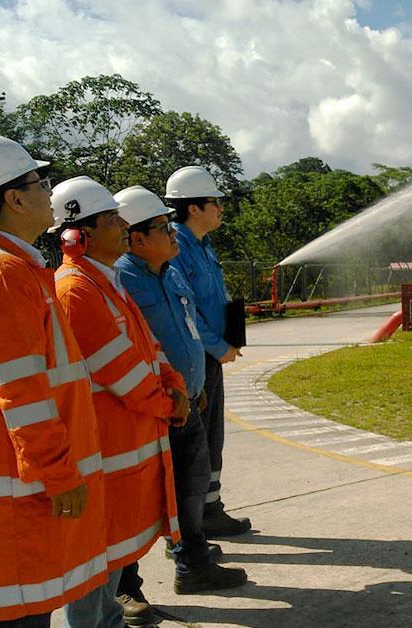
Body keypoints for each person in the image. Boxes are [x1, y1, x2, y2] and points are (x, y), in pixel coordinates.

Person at [0, 132, 107, 626]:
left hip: (6, 478)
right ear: (13, 198)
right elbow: (23, 391)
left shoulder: (2, 265)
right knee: (16, 613)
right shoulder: (2, 273)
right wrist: (57, 473)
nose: (49, 191)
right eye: (40, 181)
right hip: (7, 487)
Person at [50, 177, 189, 625]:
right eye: (112, 219)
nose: (122, 226)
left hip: (126, 450)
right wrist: (170, 404)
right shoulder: (76, 289)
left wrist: (174, 383)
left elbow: (148, 347)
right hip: (106, 453)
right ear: (80, 234)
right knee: (97, 563)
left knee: (111, 558)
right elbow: (120, 372)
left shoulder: (105, 281)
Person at [116, 185, 248, 597]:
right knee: (141, 496)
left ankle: (193, 562)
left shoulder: (170, 269)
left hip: (186, 394)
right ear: (137, 238)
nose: (171, 232)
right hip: (154, 404)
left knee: (190, 483)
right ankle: (127, 589)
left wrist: (195, 381)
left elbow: (190, 320)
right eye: (162, 227)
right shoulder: (122, 279)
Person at [164, 166, 251, 538]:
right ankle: (196, 519)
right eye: (214, 202)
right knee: (198, 441)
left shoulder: (202, 245)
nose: (220, 208)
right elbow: (185, 310)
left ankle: (210, 507)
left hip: (212, 355)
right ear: (194, 208)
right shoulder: (178, 247)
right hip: (198, 355)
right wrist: (218, 346)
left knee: (213, 436)